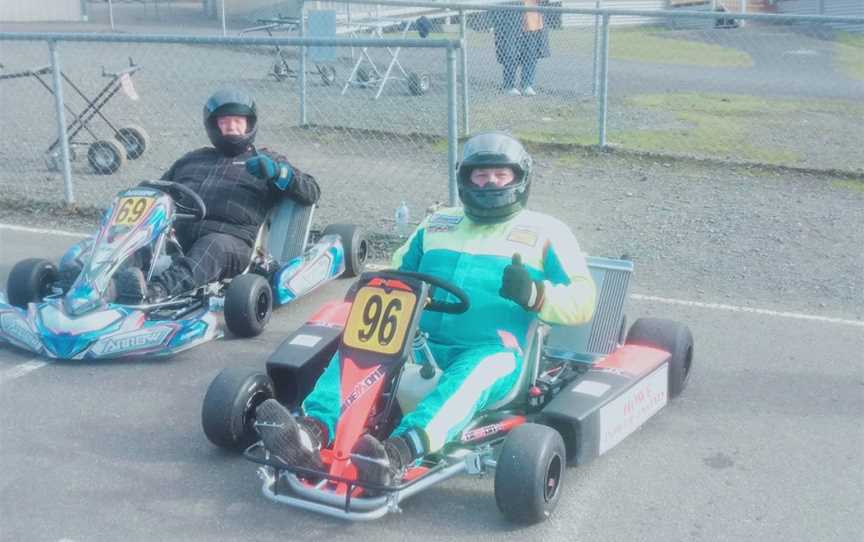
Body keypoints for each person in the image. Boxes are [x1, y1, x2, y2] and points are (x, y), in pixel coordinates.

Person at [255, 132, 596, 486]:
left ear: (519, 179)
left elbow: (584, 300)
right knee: (357, 347)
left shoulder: (547, 231)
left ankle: (396, 454)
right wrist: (373, 284)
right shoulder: (437, 223)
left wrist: (536, 295)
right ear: (466, 178)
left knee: (473, 376)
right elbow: (399, 271)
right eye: (481, 175)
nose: (490, 182)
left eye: (500, 174)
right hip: (418, 340)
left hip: (492, 350)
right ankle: (311, 431)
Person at [112, 88, 321, 302]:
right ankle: (102, 280)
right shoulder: (193, 159)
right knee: (136, 239)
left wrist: (278, 172)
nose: (232, 127)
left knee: (212, 246)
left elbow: (311, 191)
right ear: (214, 125)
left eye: (238, 121)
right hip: (177, 239)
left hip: (232, 243)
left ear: (249, 124)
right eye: (224, 121)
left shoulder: (266, 160)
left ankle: (155, 292)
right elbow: (157, 192)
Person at [492, 0, 551, 96]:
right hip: (512, 21)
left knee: (531, 55)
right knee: (510, 54)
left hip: (533, 20)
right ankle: (509, 86)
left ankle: (527, 85)